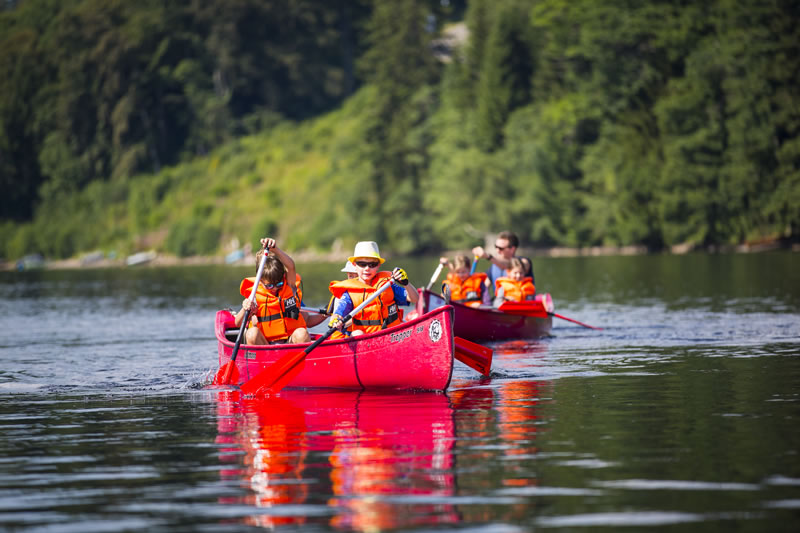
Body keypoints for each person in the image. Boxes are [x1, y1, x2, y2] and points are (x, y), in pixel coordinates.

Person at [328, 241, 419, 336]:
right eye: (362, 264)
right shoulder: (349, 293)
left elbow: (414, 299)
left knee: (403, 326)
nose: (367, 268)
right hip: (366, 339)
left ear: (378, 266)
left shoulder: (387, 285)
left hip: (390, 335)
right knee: (357, 333)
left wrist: (406, 284)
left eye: (372, 265)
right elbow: (338, 313)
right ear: (355, 265)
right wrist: (336, 320)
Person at [234, 237, 311, 345]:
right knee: (251, 334)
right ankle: (259, 361)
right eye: (269, 285)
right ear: (260, 282)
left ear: (283, 278)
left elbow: (291, 266)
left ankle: (303, 360)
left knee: (302, 333)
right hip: (265, 345)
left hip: (289, 344)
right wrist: (245, 308)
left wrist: (275, 249)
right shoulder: (254, 296)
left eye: (278, 284)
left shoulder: (289, 285)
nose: (274, 288)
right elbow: (237, 323)